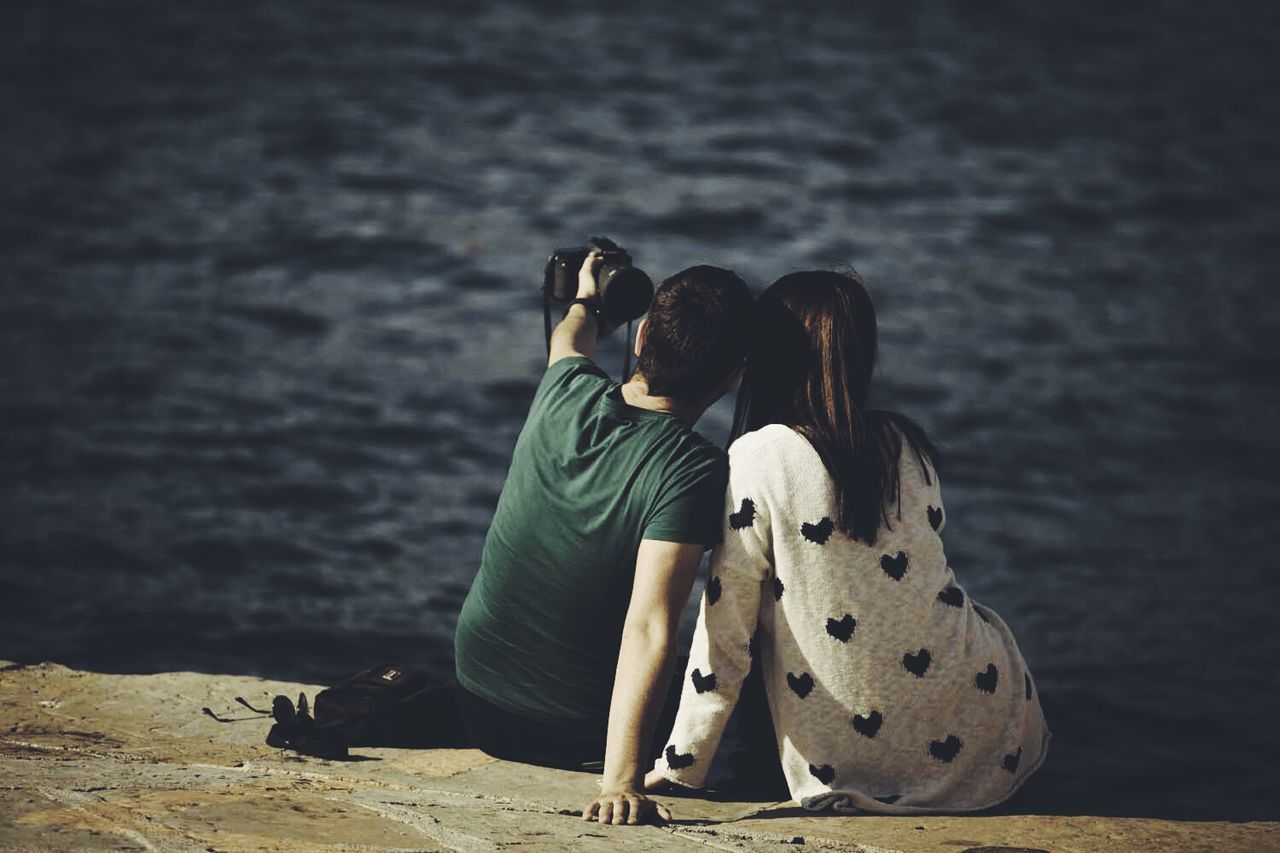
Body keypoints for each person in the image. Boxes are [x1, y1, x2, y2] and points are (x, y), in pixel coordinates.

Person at [645, 270, 1050, 813]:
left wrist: (681, 766)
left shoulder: (758, 458)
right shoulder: (907, 444)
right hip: (990, 720)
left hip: (853, 757)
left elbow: (726, 631)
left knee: (768, 618)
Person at [454, 251, 755, 825]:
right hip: (572, 734)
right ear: (733, 376)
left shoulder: (565, 388)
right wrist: (621, 781)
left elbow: (572, 336)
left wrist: (588, 297)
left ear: (642, 337)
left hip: (477, 699)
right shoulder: (691, 467)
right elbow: (649, 625)